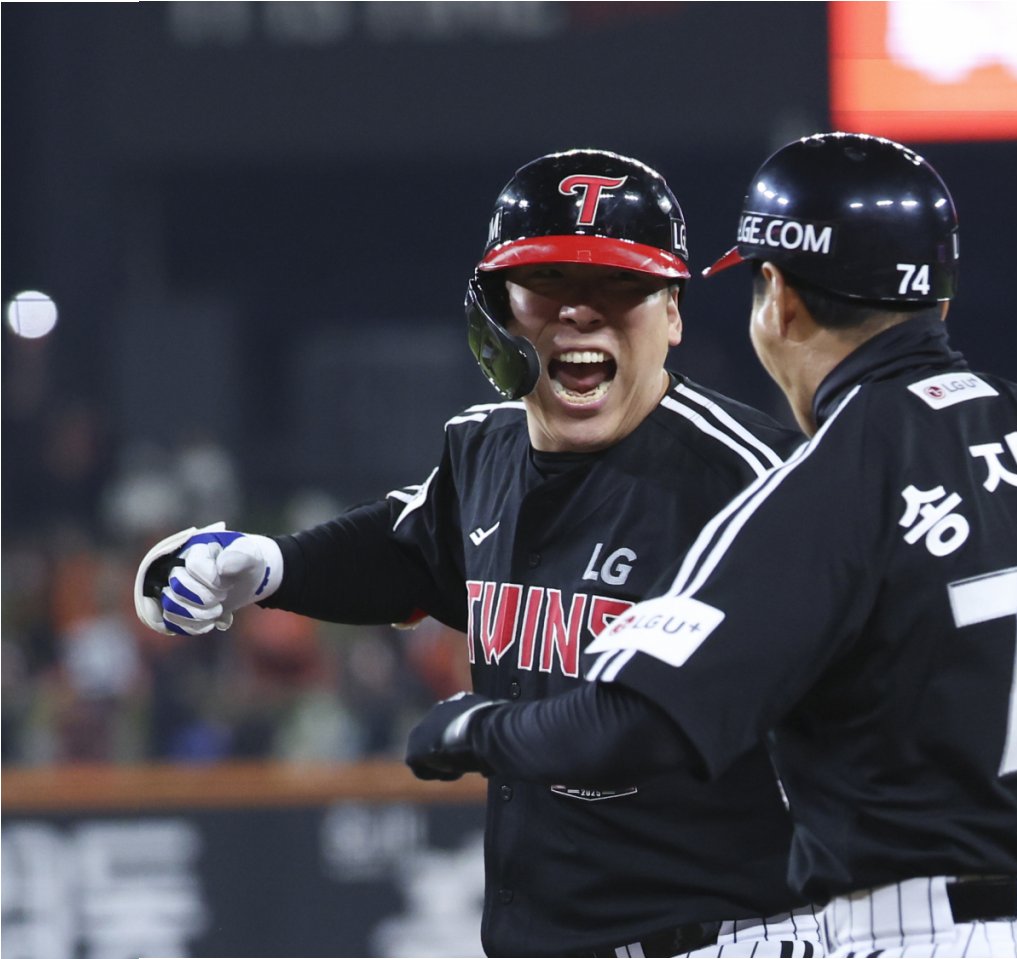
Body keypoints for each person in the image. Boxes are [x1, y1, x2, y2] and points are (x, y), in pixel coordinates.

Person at [400, 133, 1017, 958]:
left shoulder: (829, 483)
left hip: (918, 934)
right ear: (938, 298)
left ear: (780, 300)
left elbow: (635, 724)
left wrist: (477, 726)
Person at [133, 149, 824, 958]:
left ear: (671, 313)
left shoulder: (759, 481)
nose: (581, 312)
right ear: (494, 311)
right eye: (548, 282)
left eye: (619, 285)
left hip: (734, 933)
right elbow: (406, 547)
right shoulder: (483, 452)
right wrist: (271, 566)